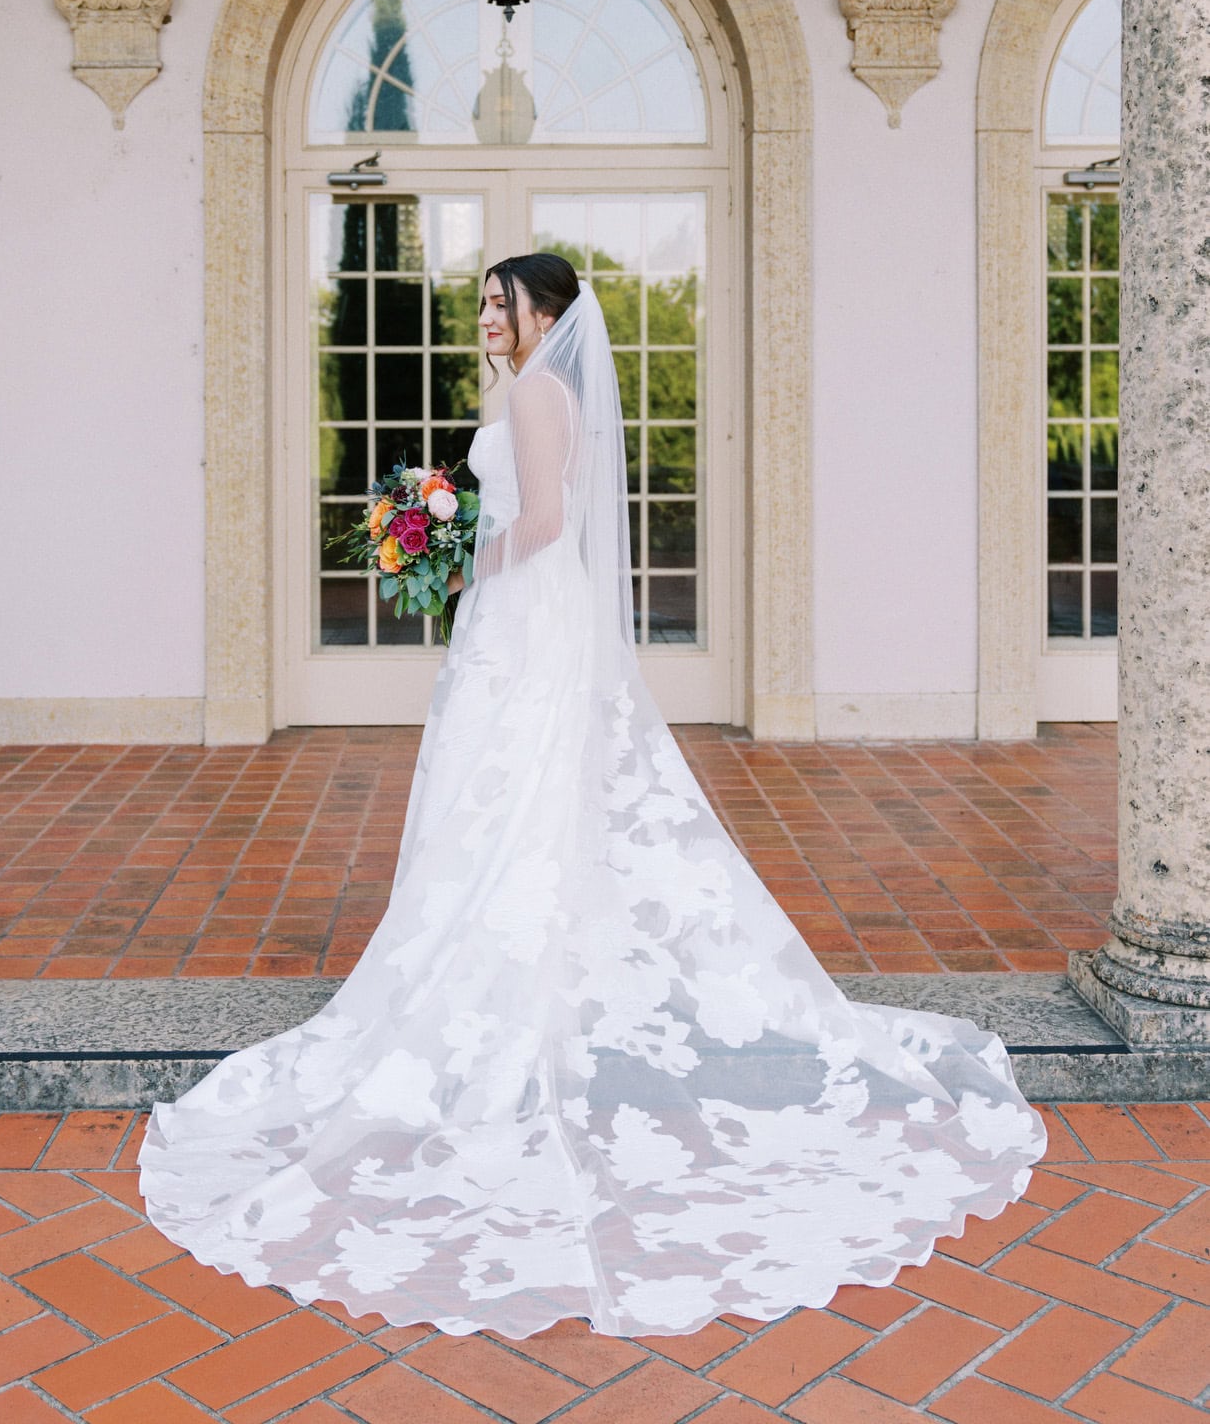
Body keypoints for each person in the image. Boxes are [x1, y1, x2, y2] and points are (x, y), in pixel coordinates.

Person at [138, 251, 1045, 1339]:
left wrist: (446, 546)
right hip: (536, 616)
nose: (484, 315)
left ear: (545, 315)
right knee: (523, 795)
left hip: (523, 612)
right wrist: (437, 531)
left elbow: (546, 523)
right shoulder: (545, 388)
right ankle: (535, 965)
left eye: (498, 301)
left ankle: (504, 979)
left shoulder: (532, 389)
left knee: (505, 791)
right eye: (481, 300)